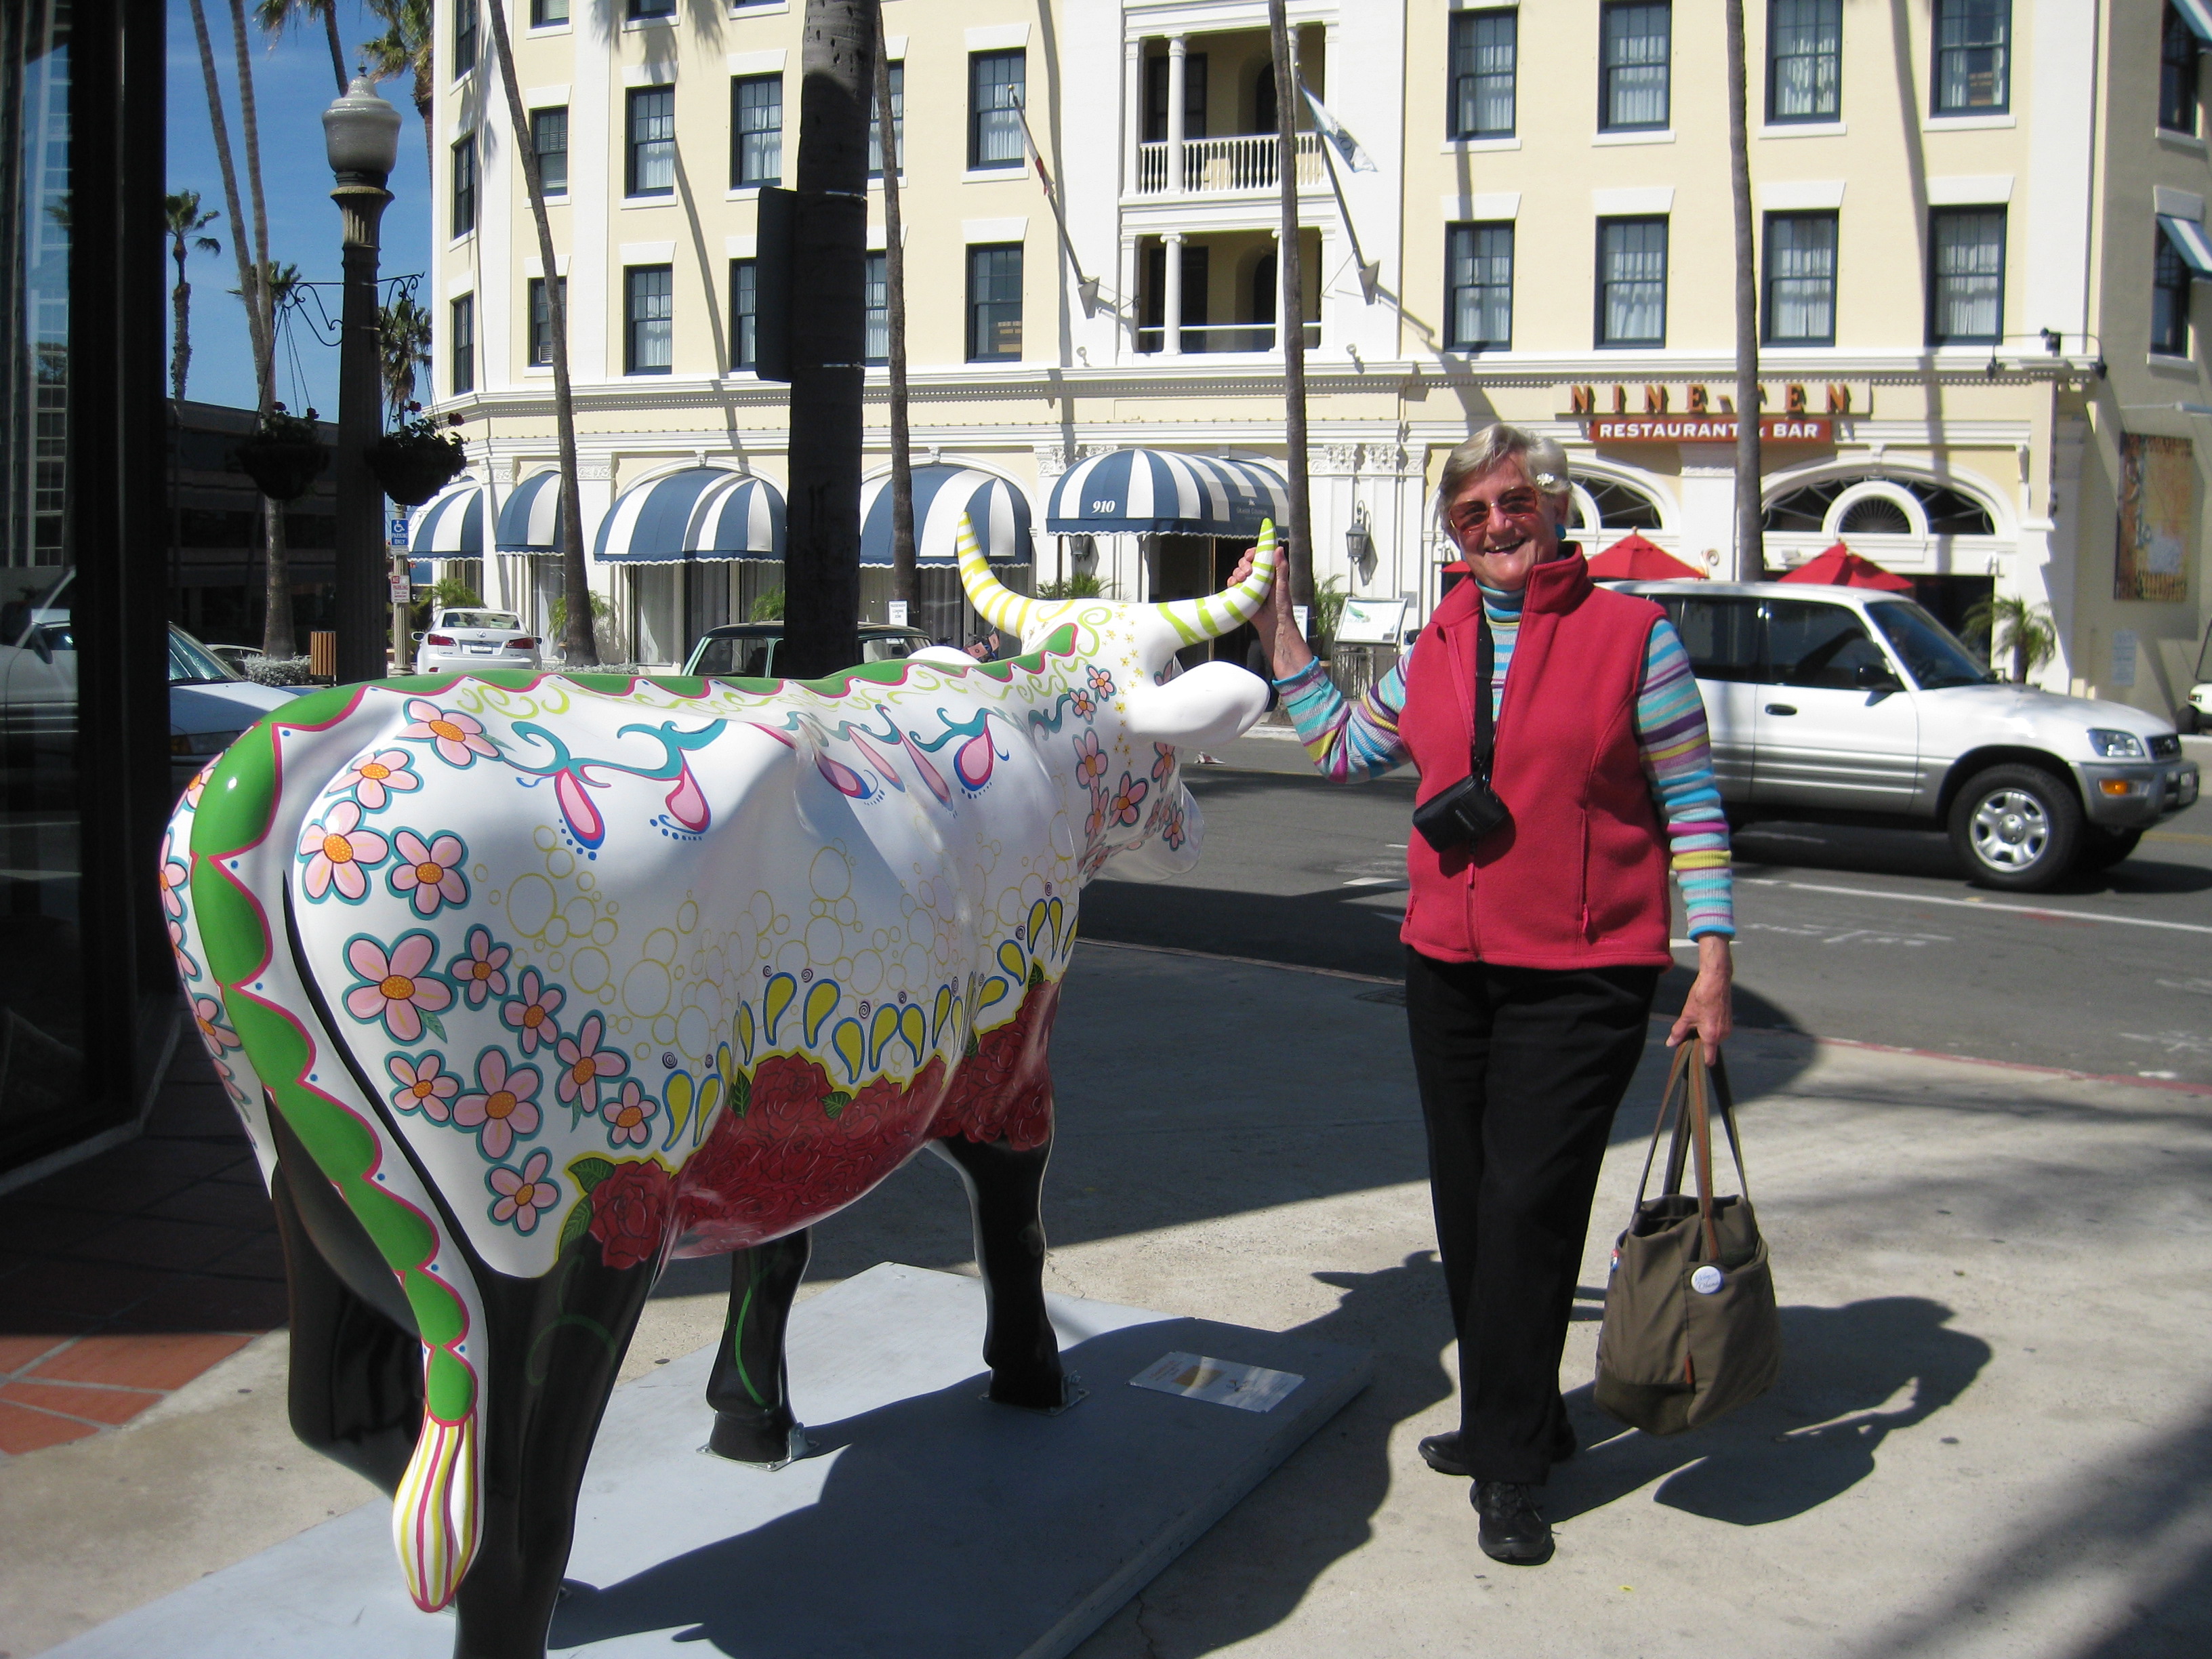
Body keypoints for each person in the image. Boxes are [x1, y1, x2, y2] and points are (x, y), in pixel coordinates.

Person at [1230, 423, 1734, 1567]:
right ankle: (1532, 1411)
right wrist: (1280, 638)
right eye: (1472, 515)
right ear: (1453, 536)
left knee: (1527, 1209)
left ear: (1552, 506)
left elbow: (1693, 805)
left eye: (1514, 503)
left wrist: (1713, 957)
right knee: (1469, 1210)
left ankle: (1509, 1466)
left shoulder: (1633, 637)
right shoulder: (1440, 639)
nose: (1498, 526)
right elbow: (1353, 750)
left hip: (1586, 972)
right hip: (1449, 970)